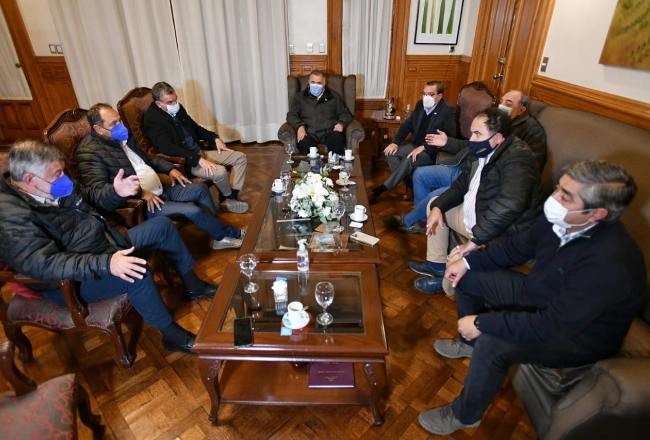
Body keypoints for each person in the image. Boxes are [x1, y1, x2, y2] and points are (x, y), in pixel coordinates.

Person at [418, 160, 645, 435]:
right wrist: (467, 263)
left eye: (565, 196)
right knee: (468, 278)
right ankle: (468, 344)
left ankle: (465, 414)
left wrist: (481, 323)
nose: (554, 199)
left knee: (492, 342)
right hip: (540, 294)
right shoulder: (560, 219)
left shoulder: (609, 265)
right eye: (558, 188)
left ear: (596, 214)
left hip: (575, 336)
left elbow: (551, 325)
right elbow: (516, 248)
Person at [0, 140, 219, 353]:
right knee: (137, 272)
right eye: (57, 174)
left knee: (162, 226)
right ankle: (172, 336)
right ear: (29, 179)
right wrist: (107, 263)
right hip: (71, 281)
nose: (64, 179)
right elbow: (45, 264)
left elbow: (91, 197)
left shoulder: (53, 184)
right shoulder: (12, 218)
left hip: (104, 244)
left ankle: (193, 286)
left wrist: (115, 192)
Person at [77, 103, 245, 250]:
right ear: (99, 129)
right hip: (146, 203)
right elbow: (100, 195)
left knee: (200, 189)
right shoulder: (90, 153)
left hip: (160, 188)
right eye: (114, 123)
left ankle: (218, 233)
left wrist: (170, 169)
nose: (120, 125)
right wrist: (140, 193)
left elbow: (148, 158)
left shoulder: (122, 135)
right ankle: (226, 234)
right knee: (192, 210)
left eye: (119, 120)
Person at [408, 108, 541, 294]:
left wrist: (474, 242)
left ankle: (445, 285)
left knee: (457, 261)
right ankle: (436, 266)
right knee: (435, 204)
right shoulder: (481, 150)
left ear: (498, 137)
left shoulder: (518, 158)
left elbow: (509, 205)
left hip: (499, 234)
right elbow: (459, 186)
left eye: (477, 134)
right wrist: (438, 207)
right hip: (476, 216)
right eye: (472, 133)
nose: (471, 139)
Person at [388, 89, 545, 233]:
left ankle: (410, 220)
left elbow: (527, 168)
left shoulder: (531, 131)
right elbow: (471, 144)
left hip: (480, 178)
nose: (502, 105)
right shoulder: (493, 119)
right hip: (463, 166)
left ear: (522, 109)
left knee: (435, 197)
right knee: (421, 174)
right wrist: (447, 142)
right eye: (501, 101)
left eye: (508, 103)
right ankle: (423, 221)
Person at [143, 81, 248, 213]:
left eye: (175, 100)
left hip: (199, 151)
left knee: (240, 158)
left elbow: (196, 128)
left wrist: (214, 138)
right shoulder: (152, 120)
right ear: (159, 104)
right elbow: (167, 148)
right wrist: (197, 159)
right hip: (187, 161)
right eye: (170, 102)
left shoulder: (176, 108)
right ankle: (229, 198)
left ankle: (229, 197)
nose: (175, 104)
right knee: (220, 172)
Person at [368, 80, 456, 204]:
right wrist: (395, 142)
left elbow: (449, 137)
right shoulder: (420, 105)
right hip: (414, 145)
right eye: (424, 94)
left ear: (440, 96)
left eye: (431, 94)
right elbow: (407, 125)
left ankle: (381, 189)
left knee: (409, 159)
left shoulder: (447, 111)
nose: (426, 97)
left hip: (432, 151)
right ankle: (410, 185)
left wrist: (424, 147)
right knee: (390, 153)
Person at [286, 70, 353, 155]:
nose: (315, 85)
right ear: (309, 82)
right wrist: (299, 126)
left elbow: (345, 114)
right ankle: (311, 164)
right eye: (313, 82)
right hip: (309, 132)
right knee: (304, 143)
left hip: (329, 132)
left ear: (324, 83)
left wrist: (341, 123)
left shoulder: (334, 96)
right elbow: (291, 115)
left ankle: (335, 163)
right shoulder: (299, 97)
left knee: (337, 139)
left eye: (319, 83)